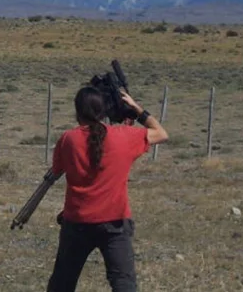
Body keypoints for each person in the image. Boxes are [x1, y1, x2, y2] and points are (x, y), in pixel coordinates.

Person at [46, 86, 169, 292]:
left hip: (77, 222)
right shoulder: (125, 136)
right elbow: (161, 134)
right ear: (104, 112)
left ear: (77, 112)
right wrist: (136, 108)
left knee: (62, 283)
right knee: (123, 284)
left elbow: (58, 169)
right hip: (115, 223)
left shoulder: (68, 139)